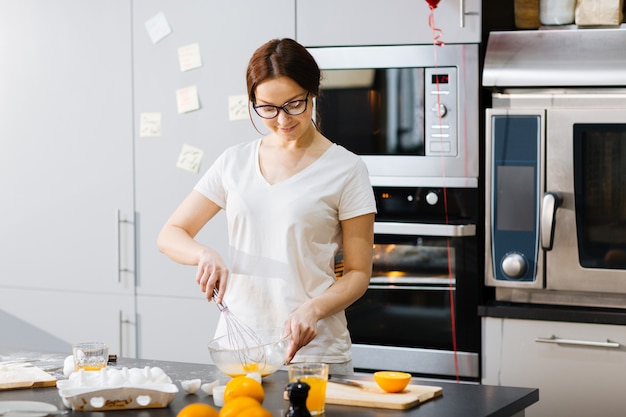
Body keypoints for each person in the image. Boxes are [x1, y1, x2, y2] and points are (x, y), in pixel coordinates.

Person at [157, 38, 376, 375]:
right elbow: (171, 234)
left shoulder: (346, 169)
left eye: (293, 104)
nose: (281, 119)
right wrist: (204, 254)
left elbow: (359, 273)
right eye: (267, 108)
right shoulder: (234, 162)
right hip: (239, 350)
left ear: (312, 93)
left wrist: (314, 309)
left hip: (314, 354)